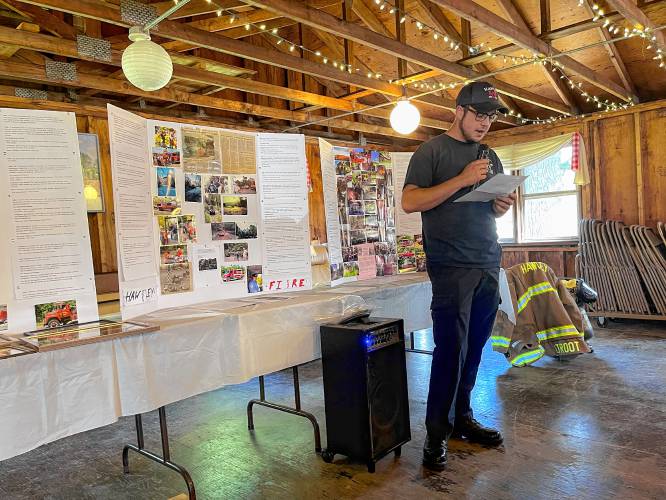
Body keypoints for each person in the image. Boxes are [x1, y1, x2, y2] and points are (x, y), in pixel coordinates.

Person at [401, 82, 517, 471]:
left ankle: (462, 419)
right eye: (479, 114)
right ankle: (436, 434)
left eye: (491, 116)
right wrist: (462, 180)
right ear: (459, 111)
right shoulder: (430, 151)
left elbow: (491, 212)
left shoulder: (491, 155)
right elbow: (410, 201)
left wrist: (501, 205)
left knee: (475, 349)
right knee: (450, 351)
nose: (485, 123)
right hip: (450, 265)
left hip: (487, 261)